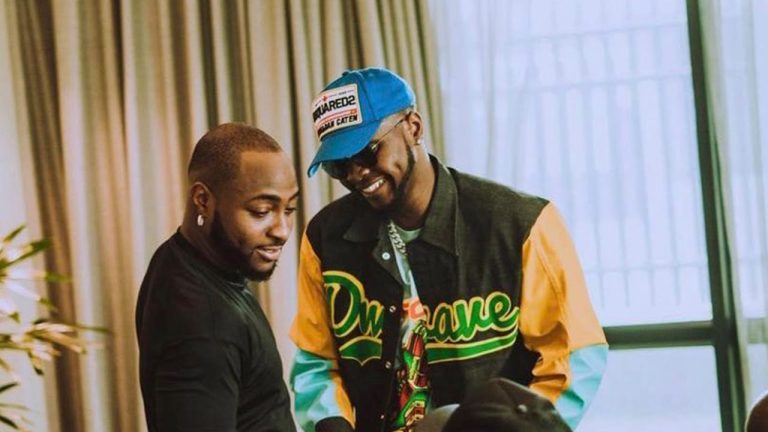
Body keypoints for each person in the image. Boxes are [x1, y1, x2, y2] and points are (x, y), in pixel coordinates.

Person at [289, 67, 608, 432]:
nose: (355, 173)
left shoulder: (521, 224)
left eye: (367, 151)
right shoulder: (325, 238)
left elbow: (572, 357)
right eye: (338, 165)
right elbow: (316, 361)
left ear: (413, 127)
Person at [136, 123, 299, 432]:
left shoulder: (177, 256)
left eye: (289, 209)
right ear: (203, 200)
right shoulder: (203, 325)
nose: (282, 230)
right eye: (261, 211)